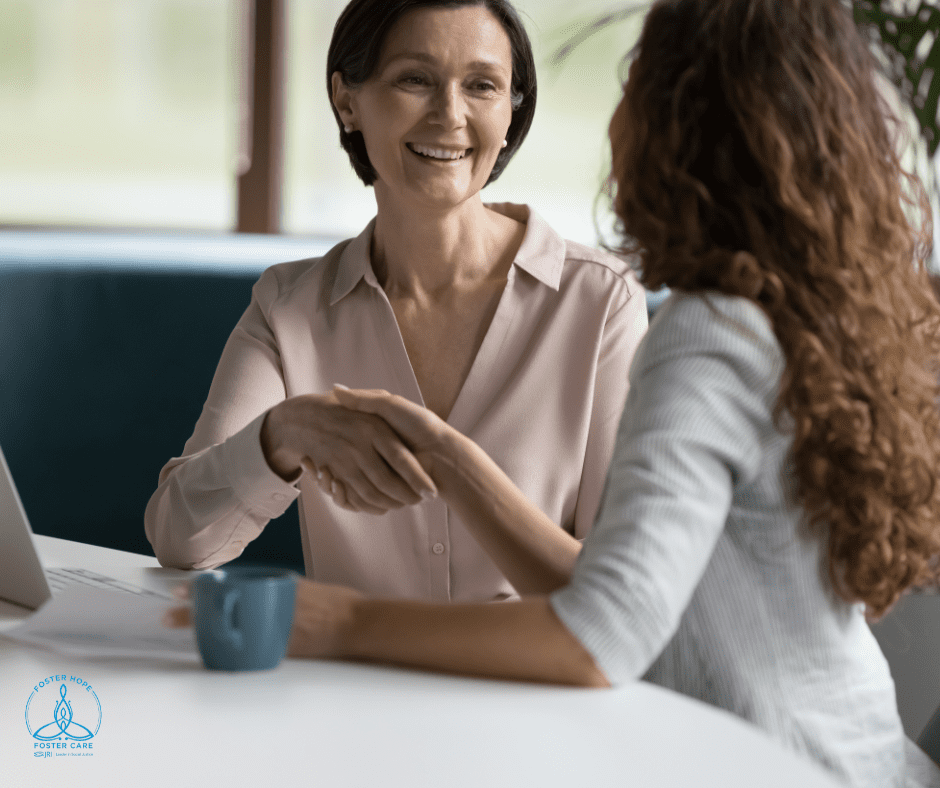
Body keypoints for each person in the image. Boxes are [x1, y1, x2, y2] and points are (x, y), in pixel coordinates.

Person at [167, 0, 940, 785]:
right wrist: (372, 449)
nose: (618, 114)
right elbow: (622, 594)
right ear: (348, 100)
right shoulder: (767, 318)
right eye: (414, 80)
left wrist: (340, 621)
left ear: (678, 121)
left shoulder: (694, 331)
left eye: (639, 82)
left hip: (773, 768)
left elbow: (607, 622)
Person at [144, 0, 648, 601]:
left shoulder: (599, 302)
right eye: (415, 79)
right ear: (347, 100)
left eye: (482, 86)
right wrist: (281, 435)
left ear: (511, 114)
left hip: (534, 688)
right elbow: (181, 538)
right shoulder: (289, 308)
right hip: (354, 692)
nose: (450, 115)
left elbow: (619, 596)